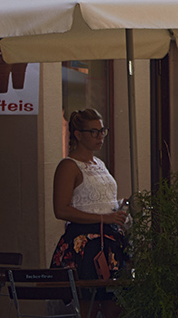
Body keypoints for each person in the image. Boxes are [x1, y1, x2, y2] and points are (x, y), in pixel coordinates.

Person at [50, 107, 131, 279]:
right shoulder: (69, 166)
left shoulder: (99, 163)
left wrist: (118, 206)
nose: (100, 136)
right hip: (85, 241)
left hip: (109, 238)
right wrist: (103, 218)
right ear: (78, 135)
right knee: (89, 298)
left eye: (102, 131)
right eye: (94, 132)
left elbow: (96, 201)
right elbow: (61, 210)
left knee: (115, 299)